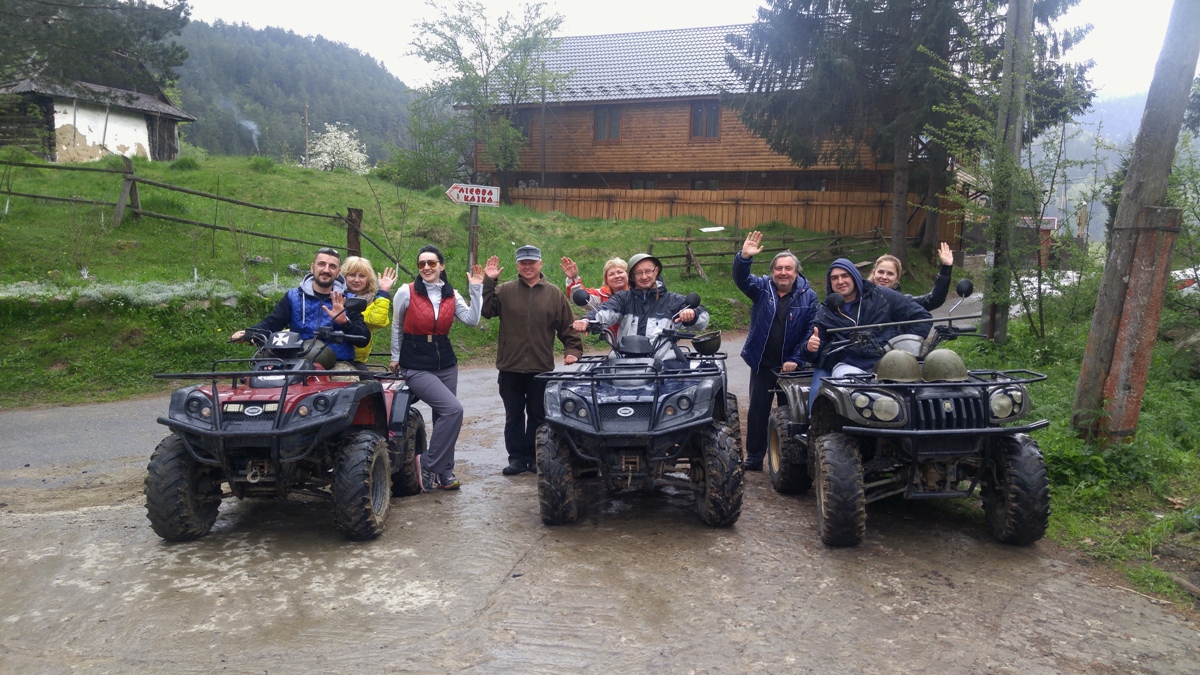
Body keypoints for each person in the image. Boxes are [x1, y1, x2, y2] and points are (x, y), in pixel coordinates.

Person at [482, 245, 583, 476]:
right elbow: (486, 310)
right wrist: (489, 282)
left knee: (539, 416)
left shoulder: (553, 294)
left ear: (540, 264)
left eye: (532, 262)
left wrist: (573, 350)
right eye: (523, 263)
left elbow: (567, 325)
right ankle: (516, 459)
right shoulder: (505, 291)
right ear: (517, 265)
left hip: (541, 367)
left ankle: (537, 458)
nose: (528, 266)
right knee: (514, 416)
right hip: (510, 367)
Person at [388, 245, 483, 491]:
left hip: (446, 361)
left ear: (441, 266)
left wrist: (476, 289)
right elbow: (397, 326)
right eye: (422, 264)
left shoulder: (452, 294)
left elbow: (472, 320)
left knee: (444, 417)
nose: (426, 267)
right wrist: (395, 357)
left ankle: (445, 473)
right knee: (453, 410)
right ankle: (427, 463)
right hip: (415, 362)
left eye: (431, 263)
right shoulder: (406, 291)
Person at [733, 231, 819, 471]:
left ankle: (787, 460)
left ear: (796, 272)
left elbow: (810, 331)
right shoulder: (762, 288)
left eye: (788, 268)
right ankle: (754, 457)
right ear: (772, 272)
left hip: (791, 368)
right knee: (757, 412)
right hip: (762, 363)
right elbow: (741, 279)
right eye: (778, 268)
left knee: (791, 414)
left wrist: (796, 359)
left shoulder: (809, 296)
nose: (783, 272)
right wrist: (744, 258)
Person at [806, 258, 932, 410]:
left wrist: (905, 346)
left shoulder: (883, 295)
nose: (840, 281)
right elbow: (812, 351)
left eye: (845, 276)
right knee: (850, 394)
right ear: (829, 282)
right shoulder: (826, 311)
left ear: (854, 276)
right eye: (834, 278)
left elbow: (922, 318)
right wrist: (810, 348)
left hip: (890, 361)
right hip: (850, 365)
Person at [231, 247, 369, 362]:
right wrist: (251, 332)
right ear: (312, 268)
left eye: (332, 266)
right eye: (321, 264)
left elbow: (364, 339)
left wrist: (345, 322)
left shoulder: (348, 300)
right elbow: (273, 322)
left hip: (337, 364)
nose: (326, 270)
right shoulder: (293, 297)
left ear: (338, 273)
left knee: (361, 384)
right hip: (297, 362)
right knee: (260, 381)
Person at [572, 253, 709, 357]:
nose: (644, 277)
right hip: (624, 361)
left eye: (648, 271)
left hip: (663, 362)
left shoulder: (672, 300)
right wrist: (587, 320)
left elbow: (703, 318)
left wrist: (693, 314)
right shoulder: (623, 298)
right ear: (632, 276)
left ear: (656, 271)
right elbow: (605, 310)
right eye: (639, 273)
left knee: (683, 383)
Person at [342, 256, 398, 365]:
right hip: (334, 355)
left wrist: (383, 291)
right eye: (352, 275)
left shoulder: (373, 301)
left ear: (368, 279)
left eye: (362, 276)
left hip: (357, 359)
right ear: (344, 276)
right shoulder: (336, 296)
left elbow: (377, 321)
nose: (356, 280)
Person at [869, 242, 955, 311]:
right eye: (880, 272)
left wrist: (946, 267)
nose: (884, 277)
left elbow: (933, 300)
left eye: (890, 274)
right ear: (874, 273)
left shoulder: (902, 302)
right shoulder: (863, 297)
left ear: (897, 278)